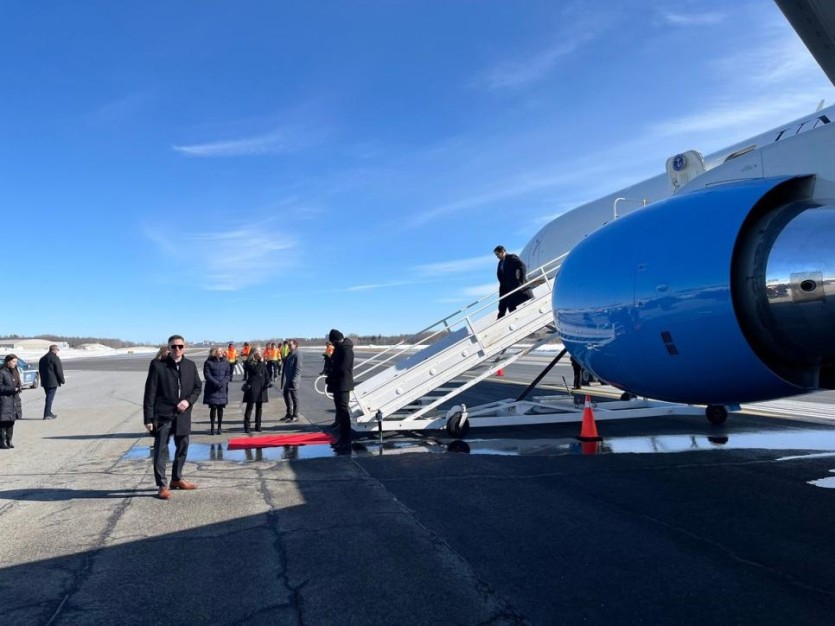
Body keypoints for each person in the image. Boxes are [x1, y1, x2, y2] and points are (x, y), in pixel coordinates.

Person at [143, 335, 202, 500]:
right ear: (168, 348)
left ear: (185, 347)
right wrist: (148, 418)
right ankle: (162, 485)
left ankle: (176, 478)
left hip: (183, 415)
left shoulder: (190, 365)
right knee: (160, 450)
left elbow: (197, 387)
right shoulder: (158, 365)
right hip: (163, 415)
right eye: (174, 346)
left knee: (183, 447)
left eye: (180, 346)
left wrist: (188, 401)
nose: (177, 349)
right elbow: (150, 392)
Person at [325, 329, 354, 452]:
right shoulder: (339, 349)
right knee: (340, 413)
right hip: (337, 384)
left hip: (343, 385)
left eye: (333, 341)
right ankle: (342, 439)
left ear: (336, 340)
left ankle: (346, 441)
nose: (332, 344)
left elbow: (343, 368)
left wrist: (332, 376)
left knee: (344, 413)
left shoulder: (346, 350)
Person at [494, 245, 533, 318]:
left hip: (520, 290)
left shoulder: (511, 257)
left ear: (502, 251)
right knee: (514, 314)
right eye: (496, 255)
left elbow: (522, 266)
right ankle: (501, 315)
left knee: (529, 313)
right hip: (510, 293)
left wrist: (521, 280)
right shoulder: (500, 263)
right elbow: (502, 279)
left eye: (497, 254)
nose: (497, 256)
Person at [203, 346, 231, 435]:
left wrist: (223, 382)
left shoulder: (226, 362)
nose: (222, 352)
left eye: (222, 351)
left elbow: (228, 375)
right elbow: (207, 374)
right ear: (215, 352)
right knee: (213, 407)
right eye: (219, 351)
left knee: (220, 408)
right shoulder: (208, 362)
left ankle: (219, 427)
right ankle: (212, 427)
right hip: (212, 388)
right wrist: (215, 383)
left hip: (222, 388)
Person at [242, 349, 270, 433]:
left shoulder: (261, 362)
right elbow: (255, 371)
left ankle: (258, 425)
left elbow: (265, 372)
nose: (260, 353)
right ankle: (247, 426)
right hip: (253, 386)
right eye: (258, 352)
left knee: (259, 407)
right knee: (250, 406)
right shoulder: (249, 362)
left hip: (261, 385)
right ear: (254, 354)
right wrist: (261, 362)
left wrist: (268, 381)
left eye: (261, 352)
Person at [0, 354, 23, 449]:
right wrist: (12, 389)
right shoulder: (2, 372)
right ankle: (2, 441)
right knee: (3, 422)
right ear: (8, 362)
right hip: (4, 400)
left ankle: (9, 440)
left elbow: (17, 383)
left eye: (16, 362)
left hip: (14, 399)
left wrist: (19, 387)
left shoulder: (15, 371)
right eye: (13, 362)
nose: (15, 363)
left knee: (11, 421)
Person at [38, 344, 65, 420]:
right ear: (55, 350)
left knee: (48, 397)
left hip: (45, 381)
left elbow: (40, 370)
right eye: (57, 350)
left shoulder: (42, 358)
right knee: (49, 398)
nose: (58, 351)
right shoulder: (55, 358)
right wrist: (62, 380)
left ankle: (49, 412)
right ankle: (47, 414)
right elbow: (59, 370)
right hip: (52, 381)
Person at [280, 340, 302, 422]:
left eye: (290, 345)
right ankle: (289, 413)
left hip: (293, 380)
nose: (288, 346)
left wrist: (294, 380)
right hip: (288, 379)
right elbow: (284, 360)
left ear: (295, 345)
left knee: (294, 397)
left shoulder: (298, 354)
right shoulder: (290, 353)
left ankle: (295, 415)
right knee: (286, 394)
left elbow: (298, 369)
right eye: (288, 345)